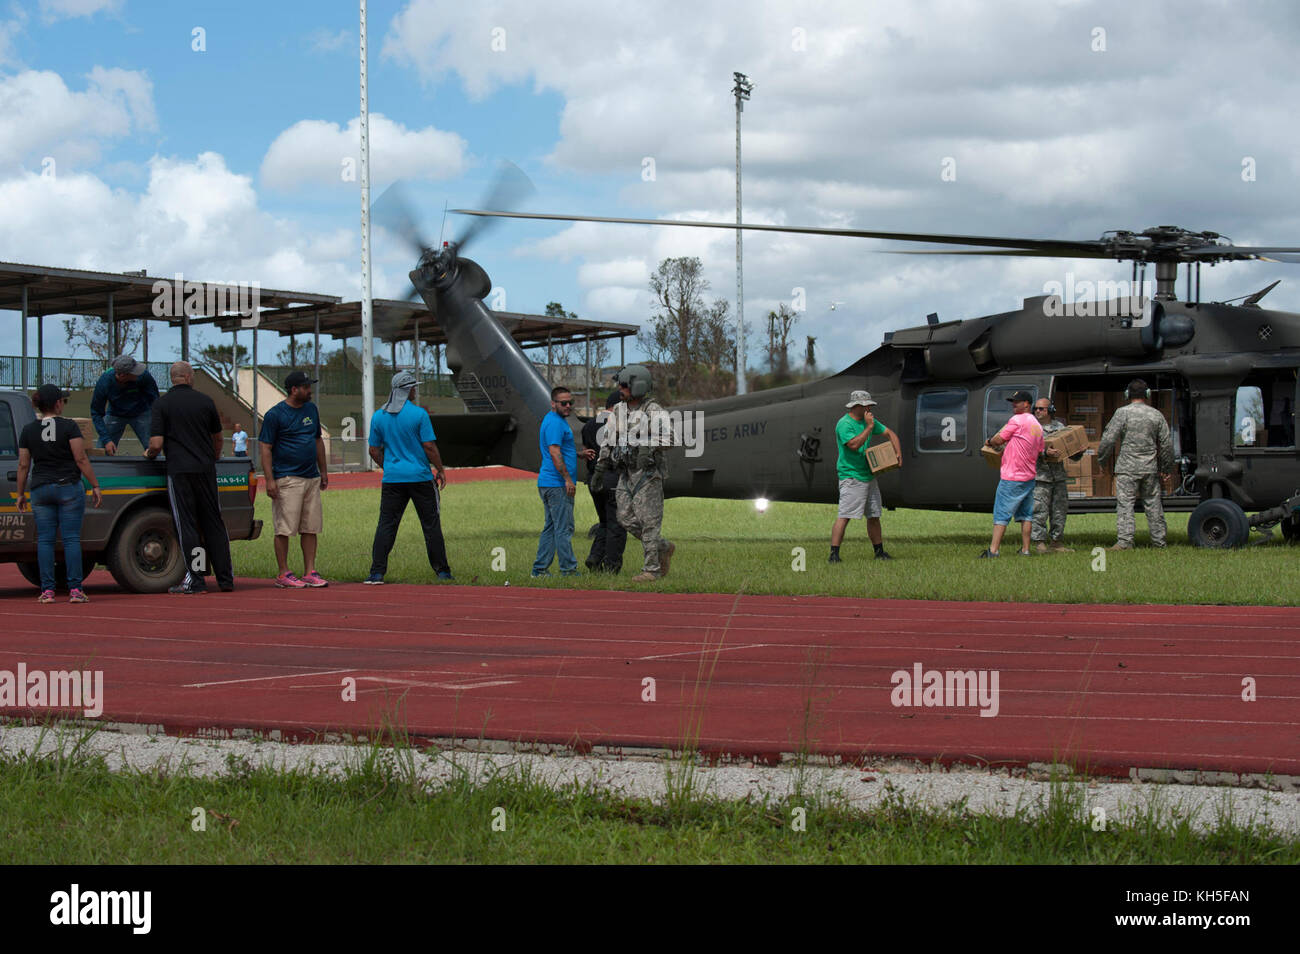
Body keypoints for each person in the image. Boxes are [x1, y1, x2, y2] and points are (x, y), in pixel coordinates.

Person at [146, 362, 235, 594]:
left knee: (188, 525)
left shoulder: (162, 404)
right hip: (205, 469)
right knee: (213, 522)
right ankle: (225, 579)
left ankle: (197, 579)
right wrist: (213, 457)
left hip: (180, 471)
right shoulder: (206, 402)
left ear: (174, 377)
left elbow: (156, 443)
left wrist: (149, 453)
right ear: (188, 376)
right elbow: (218, 438)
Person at [15, 384, 103, 603]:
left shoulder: (28, 430)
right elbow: (80, 458)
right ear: (57, 403)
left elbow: (23, 465)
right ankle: (75, 590)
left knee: (45, 540)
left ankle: (47, 591)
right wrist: (95, 485)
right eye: (63, 401)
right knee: (71, 539)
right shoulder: (69, 427)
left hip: (41, 488)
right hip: (67, 486)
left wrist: (20, 493)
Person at [365, 370, 453, 584]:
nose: (415, 390)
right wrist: (440, 469)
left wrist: (390, 467)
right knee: (430, 525)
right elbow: (429, 446)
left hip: (393, 479)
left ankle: (376, 572)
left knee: (386, 524)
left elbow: (373, 450)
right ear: (406, 390)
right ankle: (442, 571)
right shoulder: (419, 415)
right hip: (420, 477)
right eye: (413, 387)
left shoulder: (378, 416)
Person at [590, 364, 675, 583]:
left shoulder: (654, 410)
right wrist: (600, 468)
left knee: (649, 522)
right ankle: (662, 547)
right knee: (625, 518)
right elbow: (608, 440)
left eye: (624, 385)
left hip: (647, 474)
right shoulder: (618, 410)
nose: (620, 389)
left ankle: (652, 570)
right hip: (625, 473)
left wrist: (648, 445)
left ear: (637, 386)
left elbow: (671, 439)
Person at [258, 371, 329, 588]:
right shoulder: (275, 414)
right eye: (306, 387)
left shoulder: (311, 410)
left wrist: (323, 471)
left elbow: (317, 440)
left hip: (311, 477)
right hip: (287, 478)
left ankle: (310, 571)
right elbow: (265, 448)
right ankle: (283, 573)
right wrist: (270, 480)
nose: (310, 391)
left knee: (311, 527)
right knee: (284, 528)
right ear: (294, 389)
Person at [1097, 378, 1175, 550]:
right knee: (1153, 505)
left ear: (1127, 394)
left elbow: (1108, 439)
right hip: (1149, 468)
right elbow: (1167, 444)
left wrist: (1102, 461)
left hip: (1127, 469)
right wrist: (1166, 468)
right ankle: (1159, 542)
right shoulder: (1156, 415)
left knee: (1125, 506)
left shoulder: (1122, 413)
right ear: (1147, 394)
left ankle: (1125, 542)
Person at [829, 390, 900, 563]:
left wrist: (898, 453)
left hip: (869, 475)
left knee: (874, 515)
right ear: (856, 406)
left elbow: (890, 433)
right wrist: (869, 427)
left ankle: (879, 552)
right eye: (866, 405)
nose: (869, 408)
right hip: (851, 476)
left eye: (870, 405)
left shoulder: (869, 421)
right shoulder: (844, 424)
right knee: (845, 515)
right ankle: (834, 554)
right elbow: (853, 445)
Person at [532, 386, 592, 577]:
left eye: (570, 403)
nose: (568, 406)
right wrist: (567, 479)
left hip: (550, 482)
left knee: (552, 527)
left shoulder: (555, 421)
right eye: (563, 403)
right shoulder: (555, 423)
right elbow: (554, 452)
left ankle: (540, 570)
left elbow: (560, 450)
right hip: (556, 484)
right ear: (553, 403)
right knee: (564, 528)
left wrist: (578, 454)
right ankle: (568, 569)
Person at [981, 390, 1044, 558]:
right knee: (1026, 515)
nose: (1013, 404)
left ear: (1027, 404)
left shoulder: (1017, 420)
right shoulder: (1037, 426)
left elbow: (999, 439)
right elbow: (1040, 449)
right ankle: (1025, 550)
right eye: (1013, 401)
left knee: (1001, 514)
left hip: (1012, 476)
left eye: (1017, 402)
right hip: (1029, 477)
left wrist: (989, 441)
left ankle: (993, 551)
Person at [583, 391, 627, 573]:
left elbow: (587, 453)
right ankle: (612, 566)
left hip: (594, 478)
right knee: (617, 525)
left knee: (603, 522)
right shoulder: (621, 424)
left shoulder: (588, 426)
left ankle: (595, 557)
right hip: (613, 477)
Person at [91, 354, 160, 455]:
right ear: (123, 375)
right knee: (102, 451)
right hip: (115, 413)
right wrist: (106, 440)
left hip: (142, 412)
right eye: (134, 372)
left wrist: (156, 424)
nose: (138, 373)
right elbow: (96, 412)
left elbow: (155, 400)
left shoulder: (144, 375)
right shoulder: (105, 382)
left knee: (154, 447)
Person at [1031, 398, 1071, 553]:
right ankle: (1039, 543)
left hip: (1058, 476)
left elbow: (1069, 449)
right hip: (1040, 477)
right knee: (1039, 510)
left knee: (1059, 510)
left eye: (1042, 408)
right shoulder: (1033, 428)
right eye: (1036, 408)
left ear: (1050, 410)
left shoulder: (1060, 427)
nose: (1038, 411)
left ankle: (1056, 542)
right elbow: (1028, 448)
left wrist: (1078, 450)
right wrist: (1044, 452)